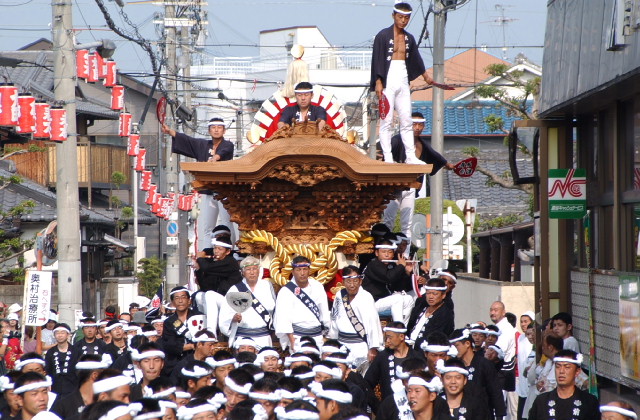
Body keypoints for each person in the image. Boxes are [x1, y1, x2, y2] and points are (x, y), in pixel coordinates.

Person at [371, 2, 446, 165]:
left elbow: (416, 60)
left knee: (406, 120)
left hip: (403, 78)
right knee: (386, 121)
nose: (403, 21)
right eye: (400, 17)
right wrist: (378, 81)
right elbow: (377, 59)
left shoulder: (409, 38)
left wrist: (426, 77)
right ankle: (388, 157)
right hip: (388, 78)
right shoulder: (382, 36)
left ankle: (410, 156)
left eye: (406, 18)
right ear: (393, 16)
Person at [161, 117, 235, 251]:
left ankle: (230, 250)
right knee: (206, 226)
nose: (216, 130)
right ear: (209, 130)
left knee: (227, 223)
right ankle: (207, 252)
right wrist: (170, 132)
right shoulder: (202, 145)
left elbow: (224, 152)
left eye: (219, 127)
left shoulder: (228, 145)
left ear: (224, 130)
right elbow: (188, 140)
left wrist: (215, 158)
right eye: (213, 127)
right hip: (207, 191)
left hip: (224, 191)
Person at [383, 112, 454, 239]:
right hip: (393, 187)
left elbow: (436, 157)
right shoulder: (396, 140)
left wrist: (448, 165)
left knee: (407, 225)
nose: (417, 128)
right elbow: (385, 160)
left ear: (423, 126)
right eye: (414, 124)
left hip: (411, 187)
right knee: (388, 221)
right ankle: (385, 247)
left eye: (420, 125)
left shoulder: (423, 145)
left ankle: (405, 250)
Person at [328, 265, 383, 366]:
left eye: (355, 281)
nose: (352, 285)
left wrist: (373, 347)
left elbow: (373, 323)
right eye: (348, 281)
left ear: (360, 281)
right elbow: (334, 317)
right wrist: (333, 339)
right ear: (343, 282)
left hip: (360, 345)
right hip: (341, 343)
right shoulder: (340, 295)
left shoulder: (366, 297)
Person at [274, 256, 330, 351]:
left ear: (309, 270)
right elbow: (283, 318)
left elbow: (324, 311)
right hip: (297, 337)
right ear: (293, 272)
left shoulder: (317, 286)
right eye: (298, 270)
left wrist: (326, 335)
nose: (302, 273)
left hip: (317, 336)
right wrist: (292, 341)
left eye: (305, 269)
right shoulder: (286, 291)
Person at [220, 256, 277, 348]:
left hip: (264, 337)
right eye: (248, 269)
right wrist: (233, 318)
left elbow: (274, 308)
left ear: (259, 271)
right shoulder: (235, 289)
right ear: (242, 272)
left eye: (254, 269)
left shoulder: (267, 286)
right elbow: (225, 313)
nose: (252, 272)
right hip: (243, 338)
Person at [449, 328, 506, 420]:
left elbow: (495, 391)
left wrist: (499, 415)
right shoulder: (455, 366)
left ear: (467, 344)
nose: (454, 349)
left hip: (483, 414)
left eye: (456, 345)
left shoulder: (484, 364)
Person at [528, 350, 598, 420]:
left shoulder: (588, 402)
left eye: (567, 367)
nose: (561, 371)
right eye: (558, 366)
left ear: (577, 371)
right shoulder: (541, 401)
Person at [365, 322, 425, 402]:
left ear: (401, 336)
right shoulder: (383, 357)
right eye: (386, 338)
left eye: (390, 337)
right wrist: (377, 406)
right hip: (388, 406)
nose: (387, 341)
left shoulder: (417, 357)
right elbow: (367, 383)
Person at [194, 236, 243, 333]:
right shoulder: (215, 264)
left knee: (210, 295)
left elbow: (207, 268)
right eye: (215, 248)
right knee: (199, 296)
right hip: (222, 300)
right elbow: (205, 287)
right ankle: (206, 326)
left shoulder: (230, 262)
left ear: (227, 252)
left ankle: (211, 331)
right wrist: (199, 270)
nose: (216, 251)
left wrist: (200, 258)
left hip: (233, 301)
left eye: (220, 249)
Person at [361, 240, 414, 324]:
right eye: (383, 252)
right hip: (372, 302)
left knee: (408, 299)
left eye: (390, 252)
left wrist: (407, 272)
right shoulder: (374, 264)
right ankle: (397, 327)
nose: (387, 255)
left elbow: (398, 287)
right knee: (398, 298)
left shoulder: (391, 266)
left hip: (384, 300)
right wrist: (401, 266)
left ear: (393, 254)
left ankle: (403, 326)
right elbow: (388, 277)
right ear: (377, 253)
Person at [161, 286, 203, 376]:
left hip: (197, 361)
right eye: (177, 298)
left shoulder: (199, 317)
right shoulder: (169, 322)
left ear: (189, 301)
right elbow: (169, 345)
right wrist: (191, 346)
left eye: (183, 297)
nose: (180, 301)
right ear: (173, 302)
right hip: (176, 364)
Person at [407, 278, 455, 351]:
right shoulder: (420, 308)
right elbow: (410, 327)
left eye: (435, 294)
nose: (431, 297)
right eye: (428, 293)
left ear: (443, 295)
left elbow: (436, 336)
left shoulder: (445, 314)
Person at [44, 323, 76, 396]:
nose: (60, 335)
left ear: (68, 335)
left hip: (73, 388)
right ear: (54, 335)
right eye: (57, 333)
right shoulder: (50, 352)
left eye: (62, 332)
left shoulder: (76, 351)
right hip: (55, 388)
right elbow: (48, 370)